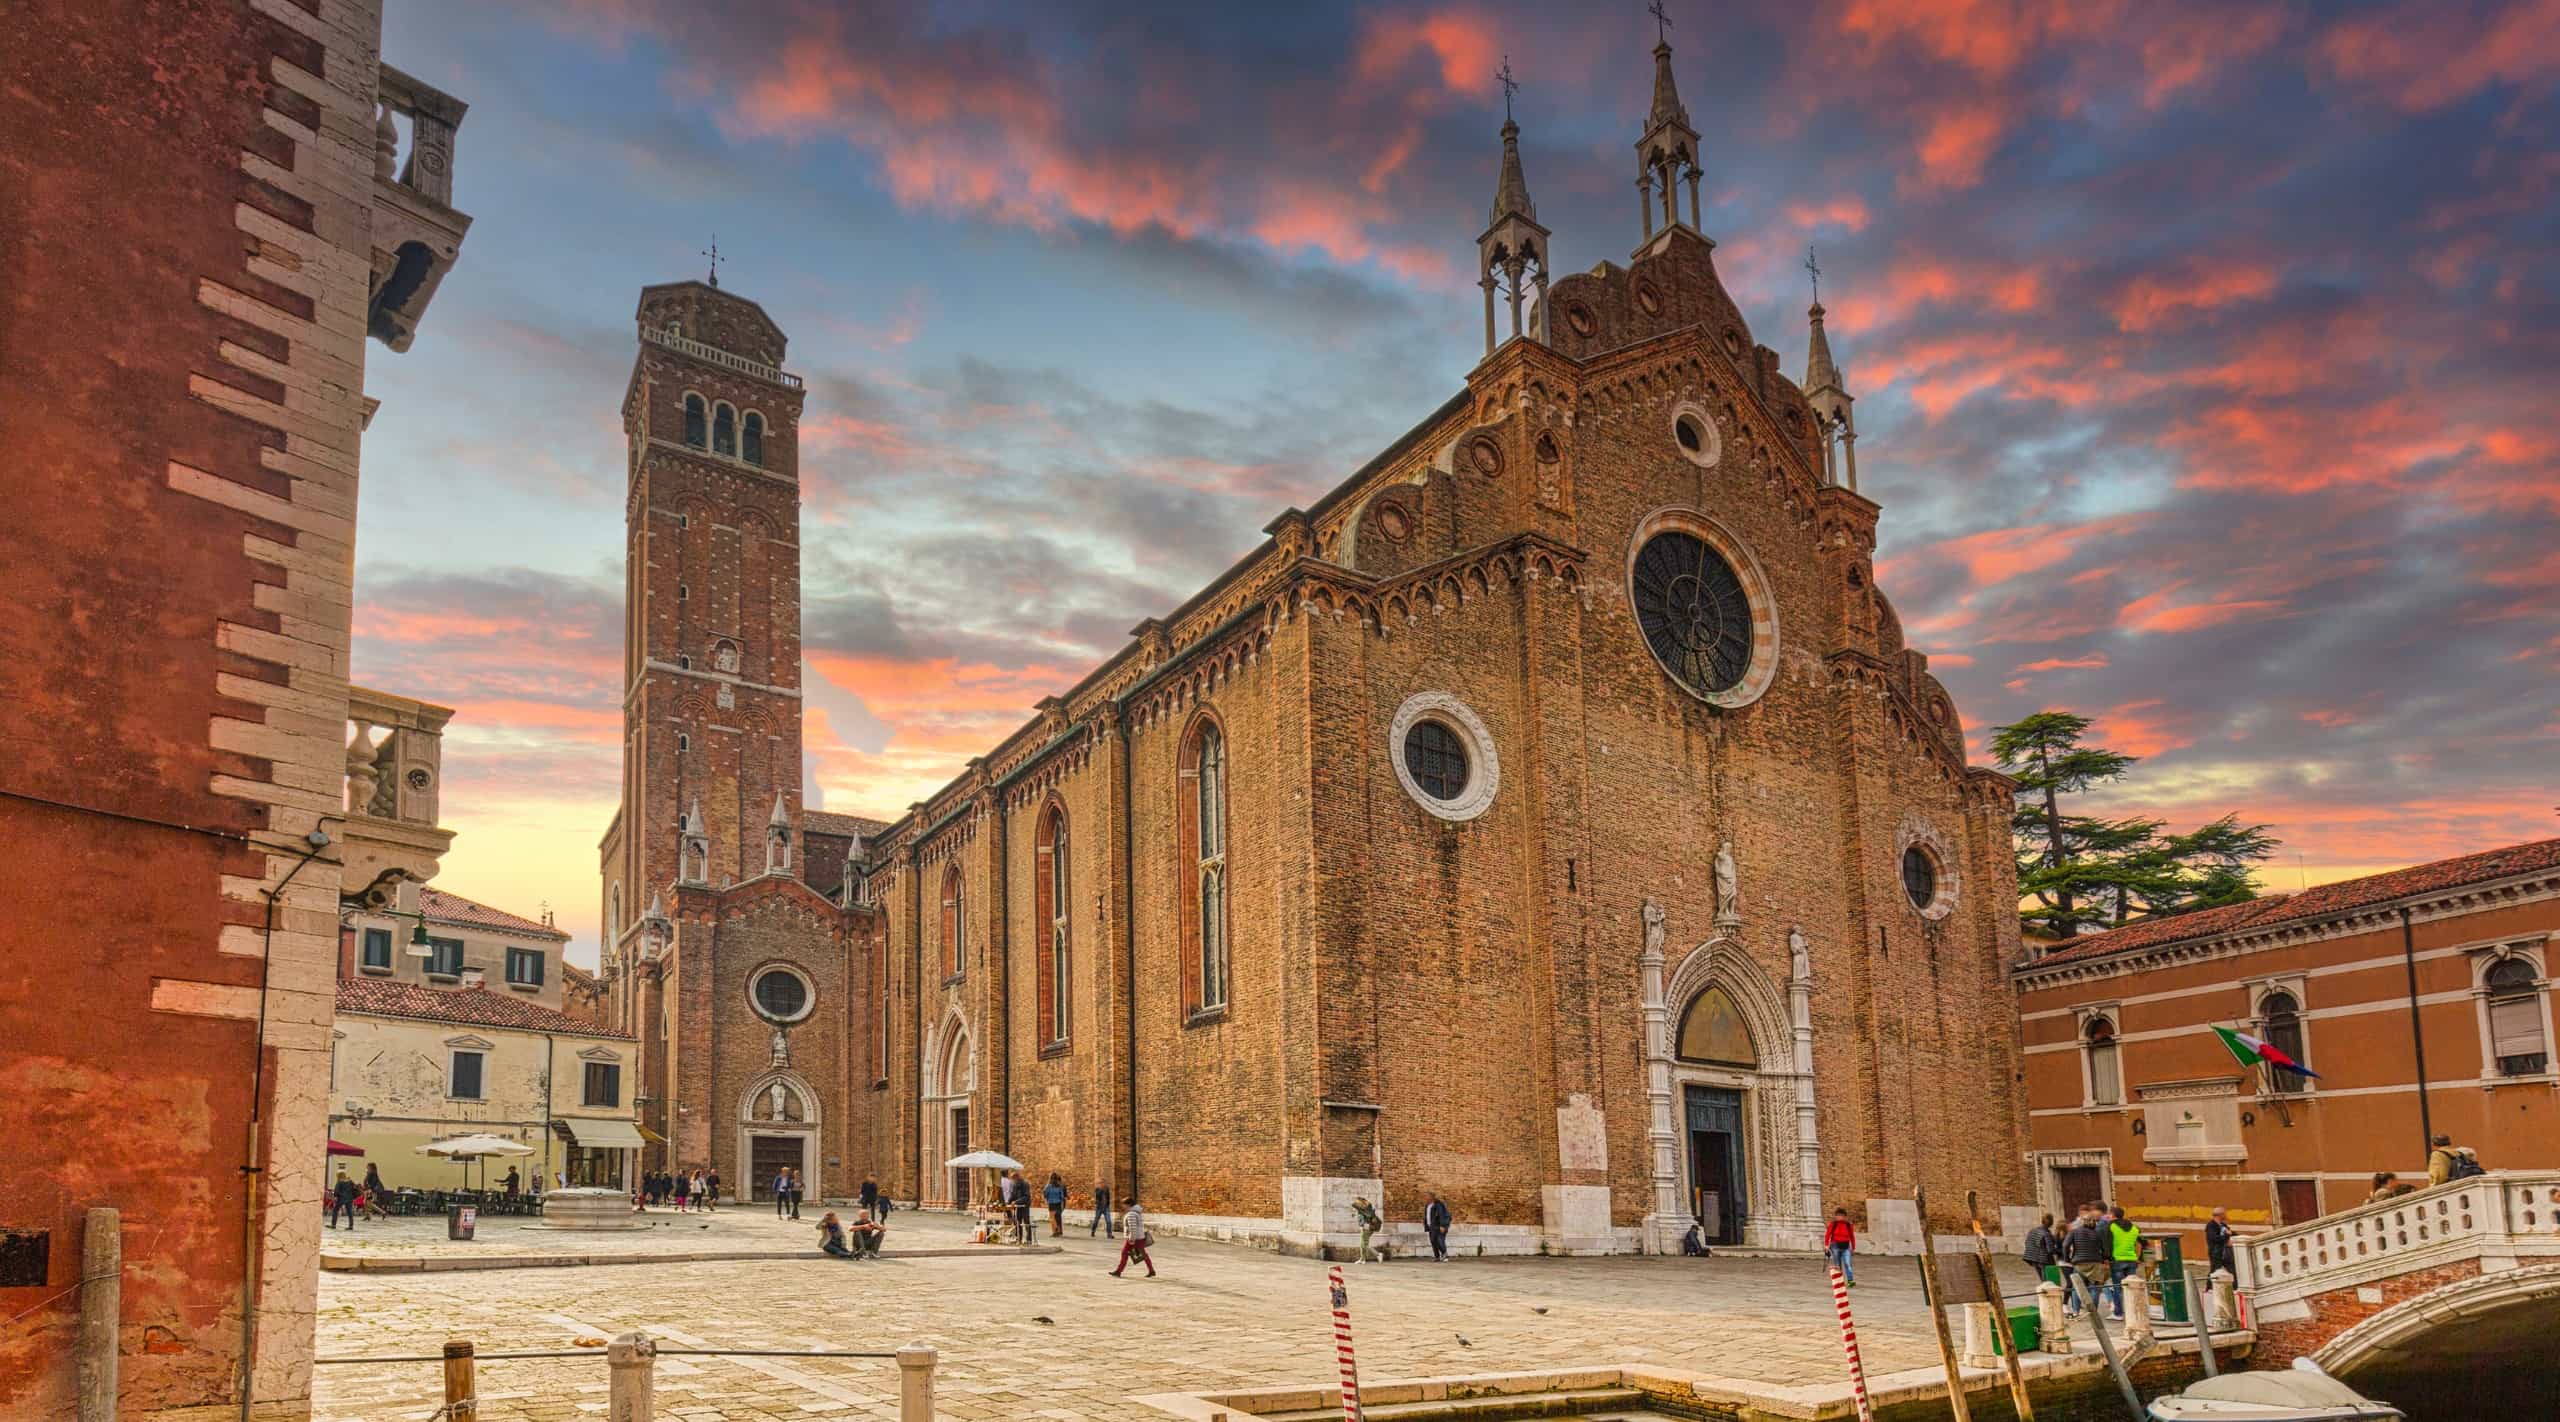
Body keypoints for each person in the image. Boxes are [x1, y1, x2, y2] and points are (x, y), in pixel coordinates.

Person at [2062, 1203, 2111, 1319]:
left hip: (2079, 1263)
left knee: (2076, 1288)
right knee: (2094, 1288)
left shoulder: (2074, 1232)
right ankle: (2092, 1312)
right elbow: (2105, 1250)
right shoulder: (2097, 1234)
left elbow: (2065, 1245)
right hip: (2095, 1263)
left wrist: (2067, 1259)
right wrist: (2104, 1258)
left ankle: (2076, 1311)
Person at [2106, 1205, 2142, 1320]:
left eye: (2109, 1214)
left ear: (2113, 1215)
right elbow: (2139, 1244)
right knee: (2131, 1287)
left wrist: (2107, 1257)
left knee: (2118, 1287)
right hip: (2131, 1259)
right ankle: (2133, 1312)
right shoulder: (2134, 1228)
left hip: (2117, 1260)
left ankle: (2118, 1313)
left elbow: (2108, 1243)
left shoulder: (2111, 1226)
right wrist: (2137, 1257)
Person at [1111, 1197, 1155, 1277]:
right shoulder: (1137, 1212)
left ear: (1128, 1205)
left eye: (1124, 1204)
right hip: (1139, 1237)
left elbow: (1133, 1228)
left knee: (1124, 1253)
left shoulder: (1131, 1214)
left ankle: (1118, 1271)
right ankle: (1151, 1270)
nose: (1122, 1206)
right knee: (1144, 1255)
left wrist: (1132, 1239)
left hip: (1134, 1238)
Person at [2022, 1211, 2061, 1285]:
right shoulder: (2046, 1234)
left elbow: (2027, 1243)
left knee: (2043, 1281)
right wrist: (2061, 1251)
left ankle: (2044, 1294)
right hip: (2044, 1260)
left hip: (2034, 1259)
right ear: (2051, 1222)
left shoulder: (2032, 1231)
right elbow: (2051, 1250)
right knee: (2049, 1282)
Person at [1824, 1207, 1857, 1286]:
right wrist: (1826, 1245)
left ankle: (1850, 1281)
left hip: (1846, 1246)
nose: (1839, 1217)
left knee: (1847, 1264)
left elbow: (1852, 1236)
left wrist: (1853, 1247)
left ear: (1845, 1216)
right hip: (1835, 1245)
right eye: (1838, 1215)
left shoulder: (1848, 1225)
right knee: (1837, 1265)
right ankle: (1839, 1282)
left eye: (1841, 1215)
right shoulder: (1833, 1224)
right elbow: (1828, 1235)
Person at [2204, 1206, 2235, 1279]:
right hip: (2215, 1252)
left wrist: (2241, 1237)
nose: (2226, 1215)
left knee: (2231, 1269)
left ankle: (2234, 1287)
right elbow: (2214, 1238)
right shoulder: (2211, 1225)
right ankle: (2209, 1288)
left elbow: (2231, 1232)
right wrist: (2227, 1236)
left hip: (2225, 1251)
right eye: (2224, 1214)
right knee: (2215, 1270)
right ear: (2220, 1215)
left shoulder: (2222, 1225)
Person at [1351, 1195, 1383, 1264]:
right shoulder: (1366, 1209)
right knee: (1363, 1244)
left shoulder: (1365, 1210)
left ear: (1360, 1203)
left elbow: (1365, 1218)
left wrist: (1362, 1225)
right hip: (1368, 1227)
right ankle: (1362, 1259)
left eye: (1357, 1202)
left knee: (1364, 1245)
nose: (1356, 1203)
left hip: (1367, 1227)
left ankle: (1377, 1254)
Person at [1424, 1193, 1453, 1263]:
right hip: (1431, 1226)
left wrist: (1443, 1225)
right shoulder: (1427, 1205)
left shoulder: (1439, 1204)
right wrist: (1426, 1225)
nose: (1425, 1198)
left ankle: (1445, 1255)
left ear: (1432, 1197)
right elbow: (1427, 1216)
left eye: (1426, 1196)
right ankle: (1437, 1257)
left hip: (1439, 1226)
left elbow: (1442, 1215)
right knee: (1433, 1241)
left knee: (1439, 1241)